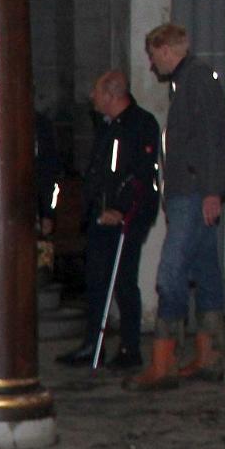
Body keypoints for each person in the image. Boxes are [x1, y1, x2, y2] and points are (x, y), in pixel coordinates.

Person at [128, 22, 225, 390]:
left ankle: (164, 363)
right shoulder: (191, 80)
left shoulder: (195, 80)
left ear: (165, 50)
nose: (151, 64)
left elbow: (211, 136)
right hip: (192, 190)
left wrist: (210, 191)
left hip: (193, 192)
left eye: (152, 55)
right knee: (206, 268)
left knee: (170, 272)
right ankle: (209, 356)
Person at [59, 70, 159, 371]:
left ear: (112, 94)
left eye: (97, 91)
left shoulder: (140, 124)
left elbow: (140, 174)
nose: (92, 97)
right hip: (100, 216)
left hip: (126, 217)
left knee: (124, 280)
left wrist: (120, 208)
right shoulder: (108, 126)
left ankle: (130, 347)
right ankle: (94, 345)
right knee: (96, 280)